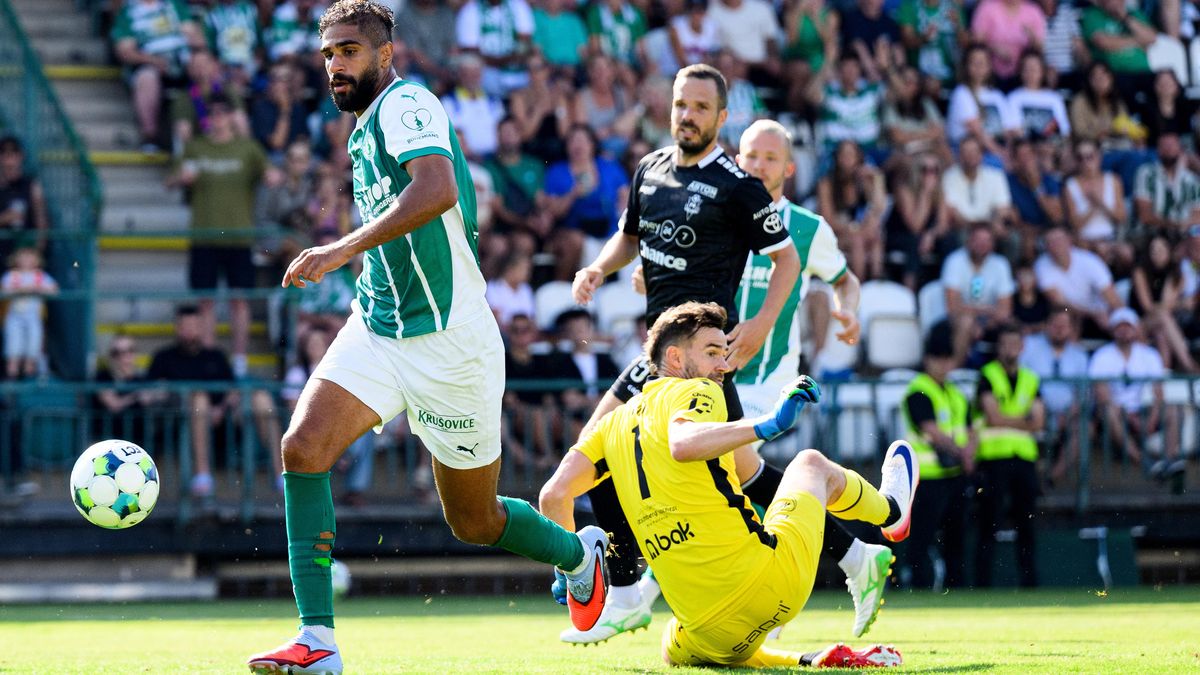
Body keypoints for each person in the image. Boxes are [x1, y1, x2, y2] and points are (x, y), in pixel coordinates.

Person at [247, 5, 611, 672]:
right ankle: (317, 640)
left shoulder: (406, 103)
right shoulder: (361, 127)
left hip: (452, 344)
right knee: (302, 447)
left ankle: (576, 554)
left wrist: (340, 246)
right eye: (329, 53)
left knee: (472, 521)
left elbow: (437, 188)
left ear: (387, 54)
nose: (335, 65)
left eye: (350, 50)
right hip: (380, 325)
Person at [539, 301, 911, 669]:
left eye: (724, 352)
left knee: (672, 645)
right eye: (712, 352)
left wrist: (569, 571)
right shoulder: (697, 389)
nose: (723, 364)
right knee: (810, 464)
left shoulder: (609, 425)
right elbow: (683, 444)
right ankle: (891, 512)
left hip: (709, 630)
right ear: (674, 356)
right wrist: (768, 424)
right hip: (773, 588)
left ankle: (807, 660)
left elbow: (553, 496)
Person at [567, 63, 800, 643]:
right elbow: (630, 234)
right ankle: (625, 593)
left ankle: (627, 593)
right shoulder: (648, 170)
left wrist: (762, 323)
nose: (686, 116)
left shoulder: (739, 185)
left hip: (700, 362)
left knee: (610, 458)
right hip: (657, 356)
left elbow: (787, 260)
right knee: (600, 456)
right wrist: (599, 266)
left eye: (700, 107)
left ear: (722, 118)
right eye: (679, 105)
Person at [734, 120, 863, 415]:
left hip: (768, 379)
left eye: (771, 158)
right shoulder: (716, 218)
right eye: (752, 156)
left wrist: (848, 310)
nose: (759, 165)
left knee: (731, 453)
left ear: (789, 168)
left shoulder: (808, 228)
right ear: (738, 162)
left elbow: (845, 281)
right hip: (710, 375)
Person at [167, 93, 267, 378]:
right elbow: (170, 179)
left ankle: (239, 359)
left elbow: (272, 174)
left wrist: (272, 177)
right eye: (213, 113)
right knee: (206, 301)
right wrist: (180, 178)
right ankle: (209, 357)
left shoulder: (248, 148)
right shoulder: (195, 147)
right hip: (205, 235)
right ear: (207, 118)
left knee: (239, 301)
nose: (218, 117)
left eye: (224, 112)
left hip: (239, 236)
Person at [148, 306, 282, 498]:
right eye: (185, 325)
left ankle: (281, 474)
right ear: (177, 328)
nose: (189, 330)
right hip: (182, 420)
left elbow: (232, 389)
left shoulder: (216, 356)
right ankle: (202, 475)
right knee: (199, 401)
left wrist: (221, 408)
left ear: (202, 327)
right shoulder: (163, 358)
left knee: (261, 399)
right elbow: (152, 393)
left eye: (194, 325)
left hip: (225, 416)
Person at [899, 323, 974, 590]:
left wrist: (969, 454)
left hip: (954, 475)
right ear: (927, 360)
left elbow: (969, 428)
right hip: (927, 476)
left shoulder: (956, 393)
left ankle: (957, 586)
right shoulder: (919, 389)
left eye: (947, 359)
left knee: (956, 536)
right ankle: (918, 585)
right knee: (922, 535)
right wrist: (962, 452)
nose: (943, 365)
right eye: (937, 359)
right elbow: (931, 431)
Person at [973, 323, 1044, 588]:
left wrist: (1005, 420)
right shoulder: (987, 374)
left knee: (1026, 524)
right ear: (998, 347)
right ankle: (982, 585)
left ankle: (1029, 583)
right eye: (1005, 344)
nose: (1010, 349)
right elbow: (992, 416)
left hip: (1024, 460)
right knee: (989, 522)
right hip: (994, 458)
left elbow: (1039, 421)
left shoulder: (1030, 378)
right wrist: (1023, 420)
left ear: (1022, 346)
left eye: (1015, 343)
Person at [1088, 308, 1182, 479]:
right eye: (1119, 327)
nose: (1124, 331)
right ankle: (1143, 461)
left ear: (1136, 329)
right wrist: (1131, 418)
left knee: (1172, 411)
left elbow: (1158, 391)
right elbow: (1102, 394)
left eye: (1128, 326)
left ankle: (1168, 461)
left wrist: (1152, 418)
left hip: (1141, 409)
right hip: (1117, 412)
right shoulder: (1102, 356)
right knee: (1108, 410)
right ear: (1113, 330)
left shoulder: (1149, 355)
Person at [1021, 307, 1090, 485]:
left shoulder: (1079, 356)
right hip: (1032, 410)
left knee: (1085, 428)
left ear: (1071, 329)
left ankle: (1049, 478)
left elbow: (1083, 395)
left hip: (1067, 415)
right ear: (1046, 325)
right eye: (1055, 324)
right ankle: (1029, 481)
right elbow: (1020, 381)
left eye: (1064, 325)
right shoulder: (1028, 346)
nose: (1059, 329)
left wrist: (1066, 415)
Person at [939, 224, 1015, 366]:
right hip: (958, 320)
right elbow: (952, 307)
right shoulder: (954, 261)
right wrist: (984, 312)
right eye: (978, 240)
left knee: (1014, 327)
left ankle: (1007, 374)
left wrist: (983, 323)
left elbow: (1005, 311)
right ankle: (954, 370)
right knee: (966, 322)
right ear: (968, 241)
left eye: (987, 240)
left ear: (993, 244)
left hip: (989, 322)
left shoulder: (1000, 264)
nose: (982, 244)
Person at [1034, 226, 1123, 338]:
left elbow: (1112, 296)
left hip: (1100, 311)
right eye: (1051, 241)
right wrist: (1092, 314)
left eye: (1059, 240)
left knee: (1124, 324)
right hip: (1070, 312)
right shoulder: (1042, 266)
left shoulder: (1089, 261)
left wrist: (1120, 317)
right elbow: (1059, 304)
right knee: (1064, 319)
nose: (1056, 244)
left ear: (1069, 240)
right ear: (1046, 246)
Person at [1064, 137, 1126, 265]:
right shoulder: (1070, 185)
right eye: (1080, 158)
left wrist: (1100, 203)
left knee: (1126, 253)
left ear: (1098, 156)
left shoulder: (1113, 180)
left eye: (1090, 156)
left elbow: (1121, 217)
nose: (1086, 162)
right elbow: (1075, 224)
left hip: (1110, 238)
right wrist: (1092, 207)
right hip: (1084, 242)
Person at [1, 247, 58, 379]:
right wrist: (20, 290)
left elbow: (54, 290)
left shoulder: (41, 276)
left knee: (33, 347)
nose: (26, 260)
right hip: (14, 317)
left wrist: (37, 288)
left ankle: (28, 377)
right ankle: (12, 378)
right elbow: (3, 290)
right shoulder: (11, 275)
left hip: (33, 318)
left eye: (30, 257)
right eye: (23, 257)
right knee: (13, 348)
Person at [1133, 131, 1200, 243]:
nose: (1168, 149)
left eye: (1172, 145)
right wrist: (1176, 224)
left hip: (1185, 236)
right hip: (1153, 234)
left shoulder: (1191, 180)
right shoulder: (1146, 174)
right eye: (1165, 145)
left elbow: (1197, 215)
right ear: (1158, 149)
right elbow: (1145, 215)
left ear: (1180, 149)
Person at [0, 135, 49, 259]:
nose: (9, 159)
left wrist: (38, 252)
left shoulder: (32, 186)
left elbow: (41, 220)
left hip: (24, 254)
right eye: (4, 153)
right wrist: (4, 218)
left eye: (13, 153)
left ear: (21, 156)